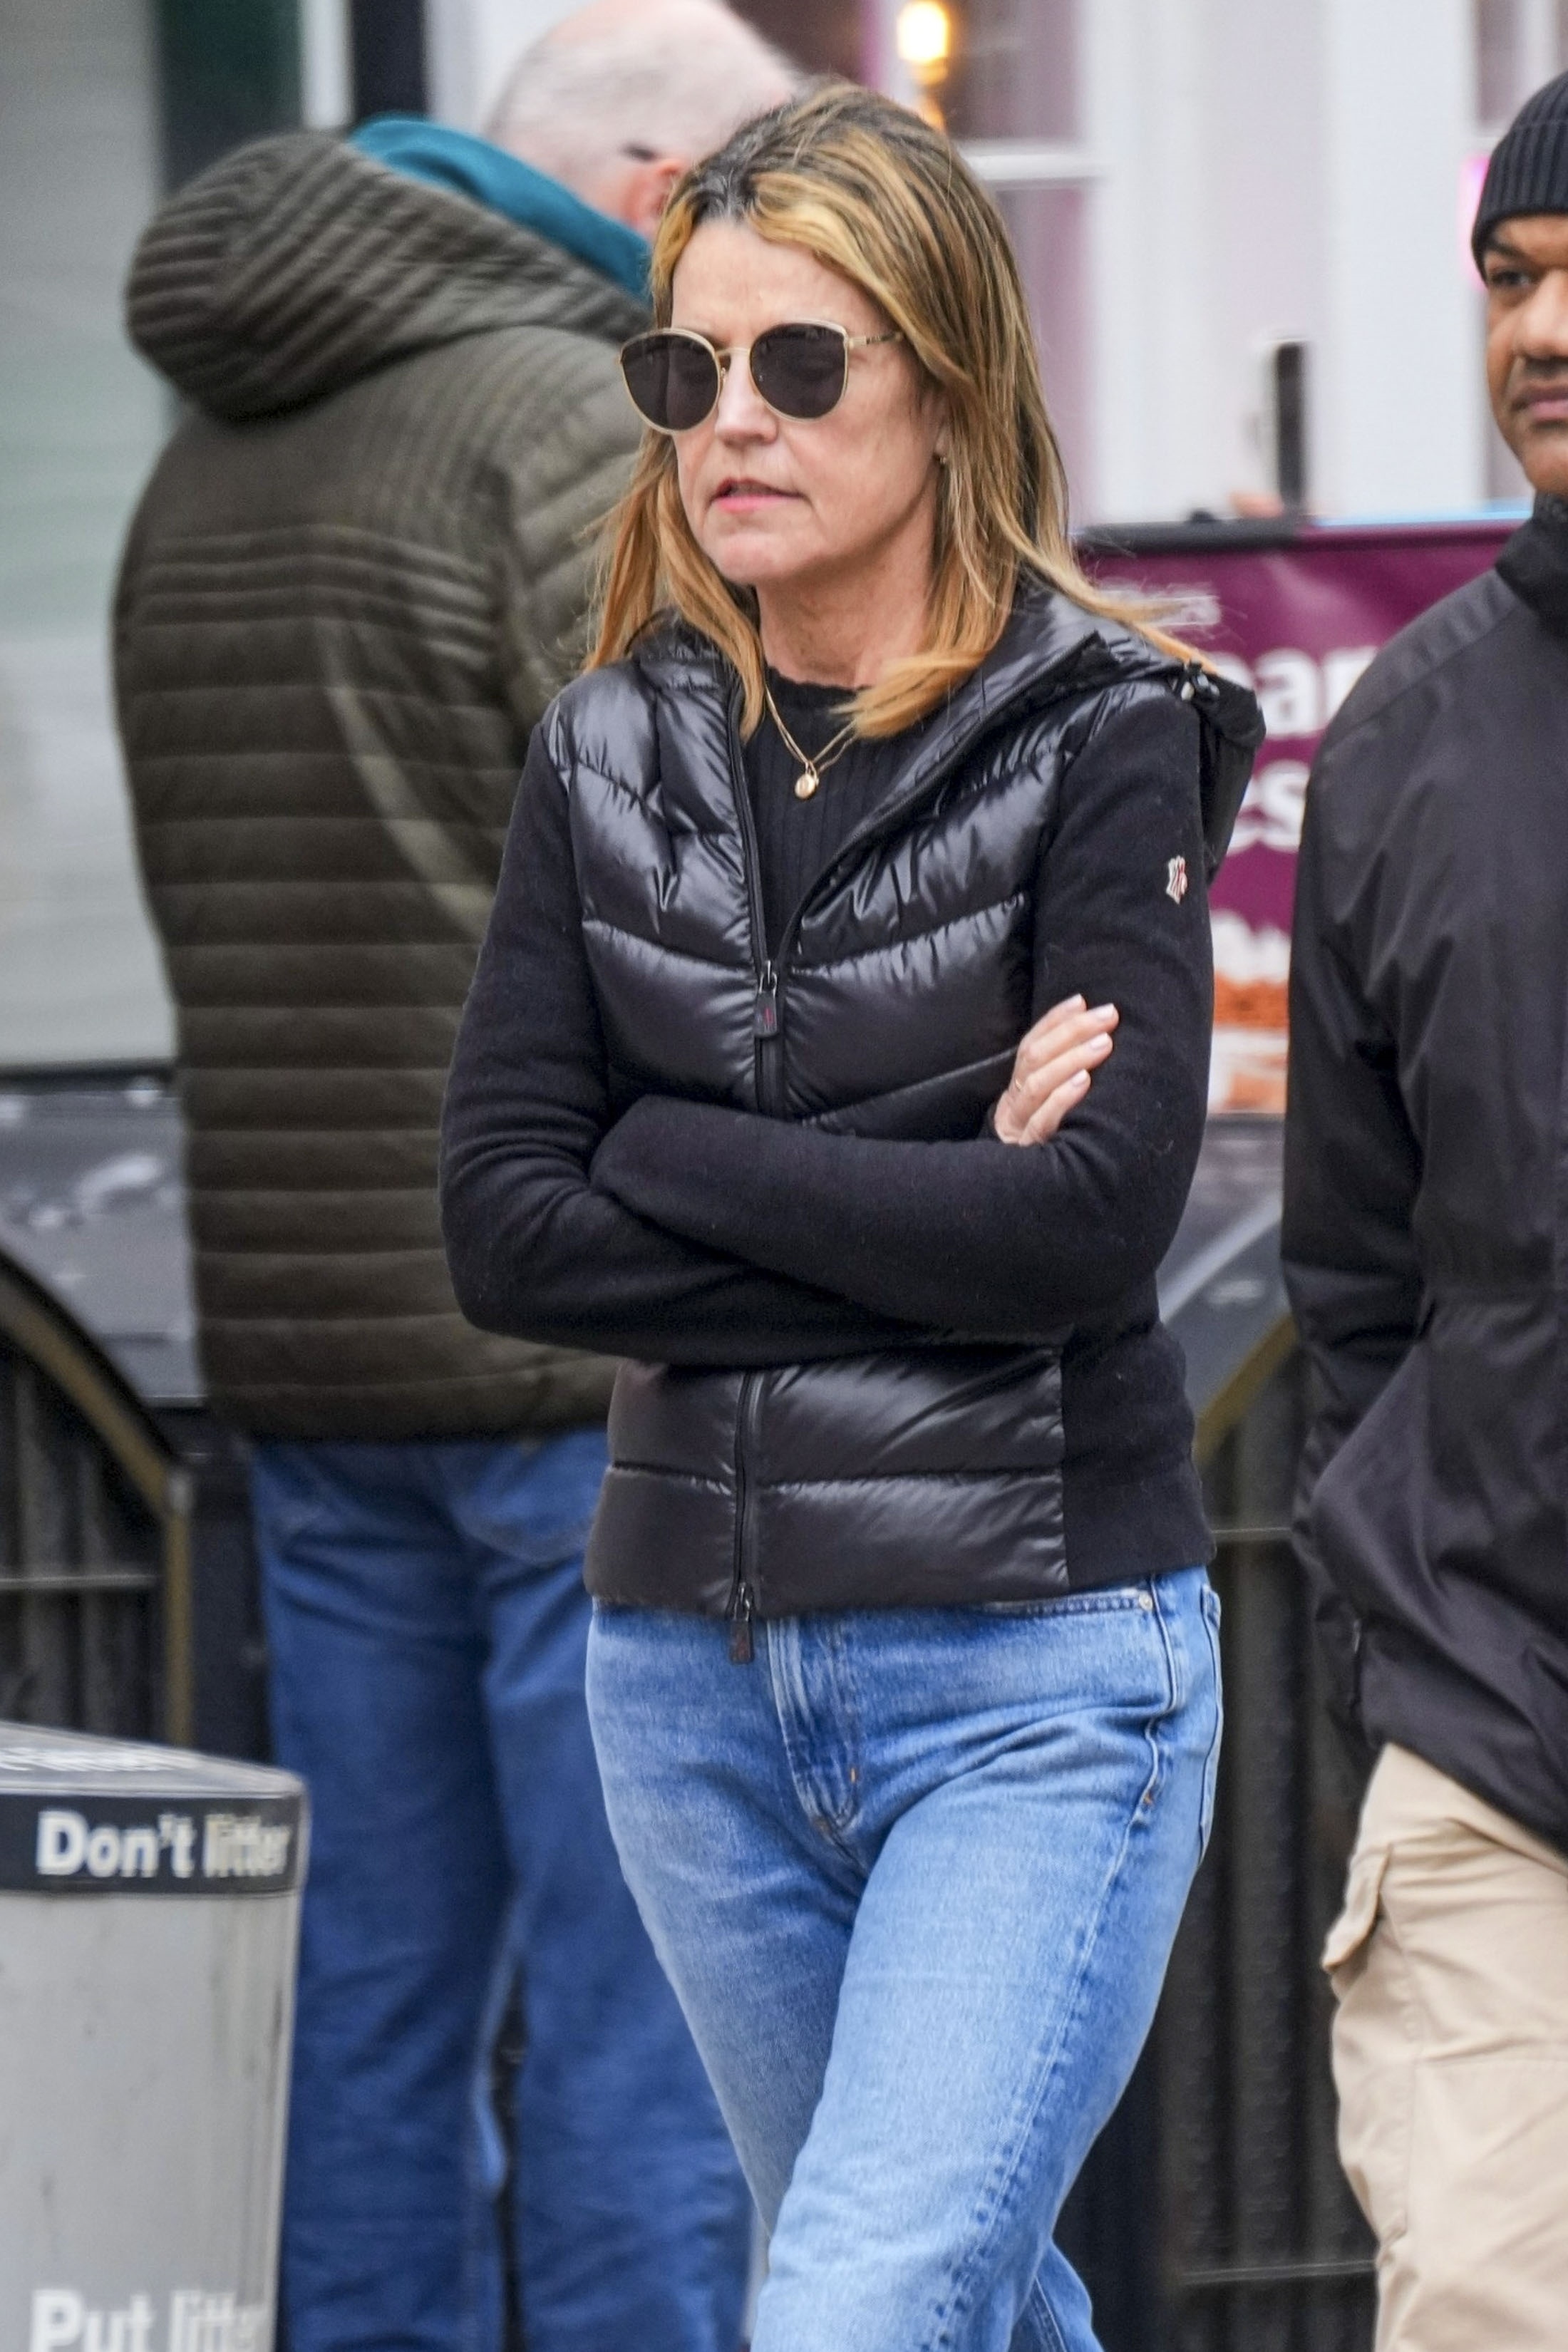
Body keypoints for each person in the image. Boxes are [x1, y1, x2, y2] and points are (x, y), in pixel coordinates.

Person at [440, 83, 1261, 2352]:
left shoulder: (1112, 730)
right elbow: (507, 1231)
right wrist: (929, 1151)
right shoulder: (604, 752)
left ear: (948, 382)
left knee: (860, 2310)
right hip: (685, 1674)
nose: (732, 420)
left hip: (1028, 1666)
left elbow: (1087, 1231)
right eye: (684, 370)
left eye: (801, 363)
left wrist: (674, 1150)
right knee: (954, 2303)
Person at [113, 8, 796, 2348]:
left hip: (304, 1354)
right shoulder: (558, 432)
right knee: (650, 2034)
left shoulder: (202, 450)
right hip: (581, 1363)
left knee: (371, 2027)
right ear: (637, 187)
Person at [1283, 68, 1568, 2352]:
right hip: (1498, 1732)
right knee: (1483, 2305)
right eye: (1511, 276)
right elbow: (1352, 1285)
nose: (1541, 327)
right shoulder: (1400, 737)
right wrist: (1414, 1600)